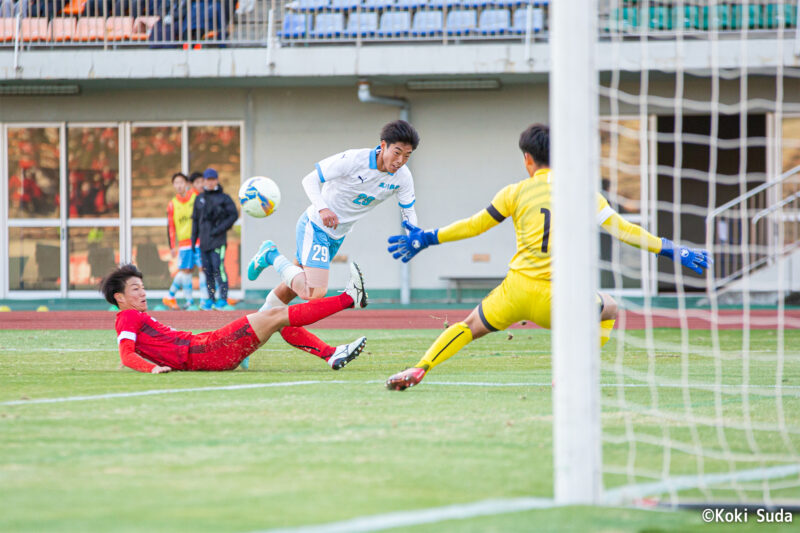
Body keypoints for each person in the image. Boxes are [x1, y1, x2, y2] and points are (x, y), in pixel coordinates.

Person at [384, 123, 712, 390]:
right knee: (609, 307)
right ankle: (569, 376)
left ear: (528, 159)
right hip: (559, 299)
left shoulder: (514, 192)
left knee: (468, 326)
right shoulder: (582, 193)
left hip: (514, 292)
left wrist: (428, 237)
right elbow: (624, 230)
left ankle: (421, 367)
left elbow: (474, 225)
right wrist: (672, 249)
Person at [247, 120, 420, 368]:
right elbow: (309, 180)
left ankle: (246, 344)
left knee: (288, 292)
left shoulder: (403, 177)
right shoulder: (354, 159)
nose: (400, 161)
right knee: (313, 293)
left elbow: (408, 211)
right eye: (397, 152)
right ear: (383, 146)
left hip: (337, 236)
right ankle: (270, 255)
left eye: (407, 156)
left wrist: (414, 236)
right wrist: (323, 208)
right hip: (315, 225)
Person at [101, 262, 368, 373]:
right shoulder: (128, 316)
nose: (143, 293)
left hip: (209, 349)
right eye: (135, 289)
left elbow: (134, 350)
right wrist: (152, 368)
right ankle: (349, 299)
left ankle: (331, 354)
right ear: (119, 297)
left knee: (275, 313)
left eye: (142, 287)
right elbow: (126, 355)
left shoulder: (131, 317)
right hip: (208, 350)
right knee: (276, 314)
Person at [191, 167, 238, 311]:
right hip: (204, 242)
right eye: (207, 180)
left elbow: (234, 215)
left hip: (218, 242)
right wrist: (193, 239)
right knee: (207, 271)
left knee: (218, 268)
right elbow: (195, 220)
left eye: (212, 179)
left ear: (216, 180)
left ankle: (223, 298)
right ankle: (211, 299)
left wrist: (219, 229)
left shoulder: (224, 198)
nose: (210, 182)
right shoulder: (199, 198)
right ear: (204, 181)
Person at [163, 172, 202, 310]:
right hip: (184, 243)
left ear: (186, 184)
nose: (179, 185)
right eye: (176, 183)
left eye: (181, 182)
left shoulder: (196, 197)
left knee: (203, 269)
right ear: (173, 185)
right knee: (186, 271)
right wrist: (172, 246)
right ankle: (189, 301)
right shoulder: (172, 204)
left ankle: (205, 301)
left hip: (198, 240)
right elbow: (171, 226)